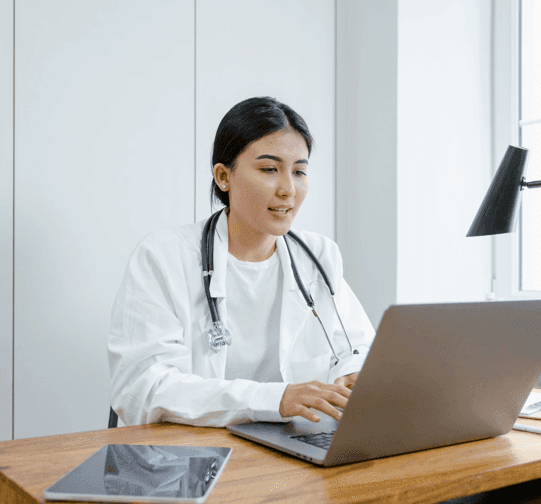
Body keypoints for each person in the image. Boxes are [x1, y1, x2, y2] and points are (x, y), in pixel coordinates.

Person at [108, 97, 375, 427]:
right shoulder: (163, 258)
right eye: (269, 169)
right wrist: (272, 399)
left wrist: (353, 374)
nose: (288, 189)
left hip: (289, 447)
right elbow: (143, 389)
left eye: (299, 171)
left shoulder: (318, 256)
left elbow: (356, 345)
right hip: (186, 456)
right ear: (223, 176)